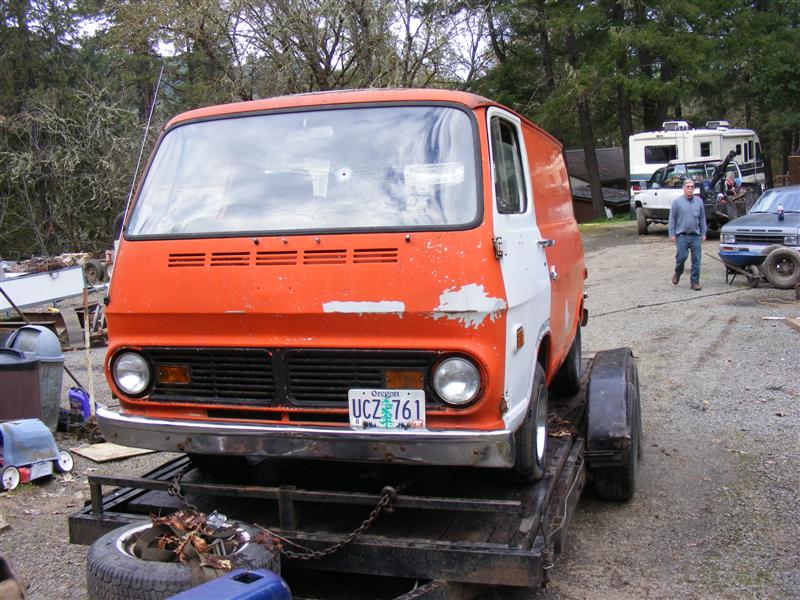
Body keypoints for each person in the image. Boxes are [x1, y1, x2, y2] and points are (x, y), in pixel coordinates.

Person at [668, 178, 707, 290]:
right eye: (688, 187)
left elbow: (702, 218)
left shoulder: (699, 202)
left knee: (696, 259)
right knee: (682, 257)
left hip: (695, 235)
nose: (690, 189)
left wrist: (703, 232)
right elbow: (672, 219)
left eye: (692, 187)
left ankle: (694, 282)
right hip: (681, 235)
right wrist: (672, 234)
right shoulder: (677, 202)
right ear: (683, 188)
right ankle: (677, 272)